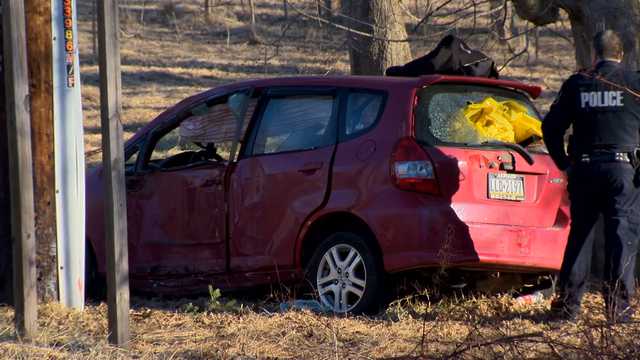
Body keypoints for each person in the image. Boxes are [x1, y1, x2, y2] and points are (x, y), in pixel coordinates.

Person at [542, 30, 640, 322]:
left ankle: (568, 308)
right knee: (620, 236)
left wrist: (565, 163)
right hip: (623, 171)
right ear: (621, 55)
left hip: (584, 169)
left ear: (594, 55)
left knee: (581, 235)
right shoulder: (635, 83)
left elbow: (550, 128)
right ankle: (619, 311)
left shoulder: (578, 83)